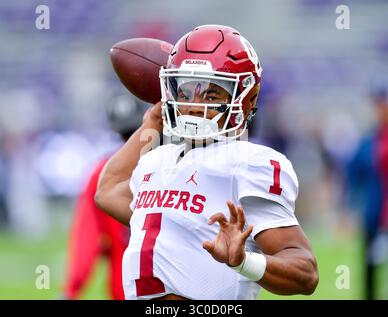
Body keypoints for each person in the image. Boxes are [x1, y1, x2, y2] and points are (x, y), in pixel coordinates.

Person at [95, 25, 319, 300]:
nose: (192, 106)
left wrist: (243, 261)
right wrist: (152, 120)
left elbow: (305, 272)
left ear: (244, 98)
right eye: (185, 93)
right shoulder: (156, 159)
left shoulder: (248, 162)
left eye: (211, 96)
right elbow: (107, 192)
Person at [63, 93, 146, 300]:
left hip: (125, 290)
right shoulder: (171, 164)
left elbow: (86, 239)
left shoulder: (102, 173)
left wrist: (71, 291)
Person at [346, 75, 388, 300]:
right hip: (375, 213)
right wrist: (350, 207)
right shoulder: (370, 140)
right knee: (371, 267)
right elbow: (354, 174)